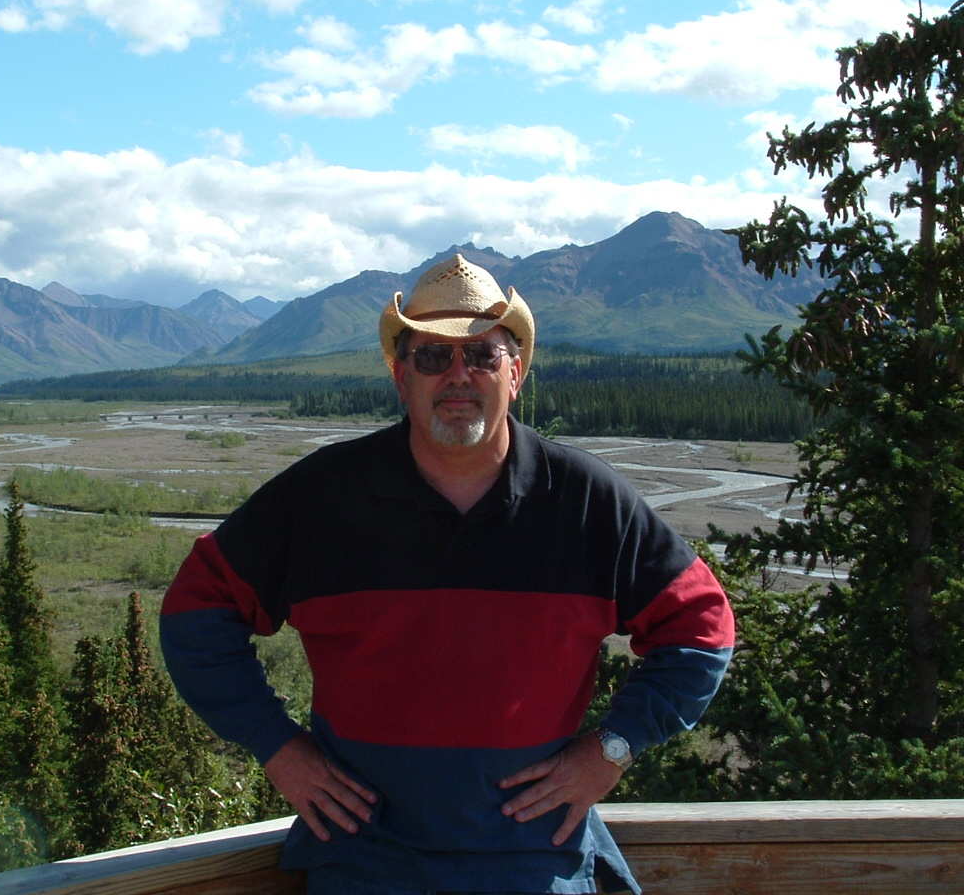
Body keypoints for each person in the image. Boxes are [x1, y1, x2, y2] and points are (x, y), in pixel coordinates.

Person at [160, 254, 735, 895]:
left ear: (515, 374)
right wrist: (277, 745)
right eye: (433, 358)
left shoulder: (587, 501)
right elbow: (196, 607)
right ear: (400, 377)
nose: (459, 376)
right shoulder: (321, 496)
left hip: (533, 864)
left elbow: (702, 624)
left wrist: (612, 750)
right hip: (365, 864)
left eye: (483, 356)